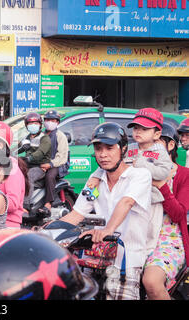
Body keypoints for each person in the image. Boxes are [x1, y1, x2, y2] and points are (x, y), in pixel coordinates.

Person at [60, 122, 153, 300]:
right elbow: (78, 213)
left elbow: (126, 202)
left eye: (109, 148)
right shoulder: (96, 179)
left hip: (127, 259)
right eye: (98, 148)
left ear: (123, 149)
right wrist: (47, 232)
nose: (103, 154)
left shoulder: (139, 176)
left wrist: (107, 230)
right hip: (96, 256)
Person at [87, 108, 172, 255]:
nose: (138, 132)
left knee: (151, 231)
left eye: (144, 129)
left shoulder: (160, 151)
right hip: (130, 196)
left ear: (157, 134)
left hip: (152, 199)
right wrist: (95, 175)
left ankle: (147, 256)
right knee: (131, 228)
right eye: (136, 128)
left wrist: (141, 165)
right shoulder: (130, 148)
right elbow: (115, 164)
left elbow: (163, 172)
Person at [142, 123, 189, 300]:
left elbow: (178, 214)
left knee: (152, 282)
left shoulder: (184, 175)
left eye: (157, 144)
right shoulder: (139, 172)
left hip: (167, 241)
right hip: (138, 237)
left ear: (171, 146)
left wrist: (161, 186)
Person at [40, 110, 69, 211]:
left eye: (52, 120)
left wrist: (50, 164)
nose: (49, 122)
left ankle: (48, 203)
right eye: (47, 120)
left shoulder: (60, 136)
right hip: (42, 163)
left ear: (57, 122)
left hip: (57, 165)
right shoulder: (41, 134)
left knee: (50, 176)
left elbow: (62, 157)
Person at [21, 112, 52, 200]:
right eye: (30, 123)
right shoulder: (27, 137)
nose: (33, 125)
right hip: (28, 165)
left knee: (29, 176)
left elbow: (40, 153)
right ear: (27, 125)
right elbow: (20, 149)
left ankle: (25, 206)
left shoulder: (44, 138)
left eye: (35, 123)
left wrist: (28, 158)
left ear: (40, 125)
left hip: (40, 167)